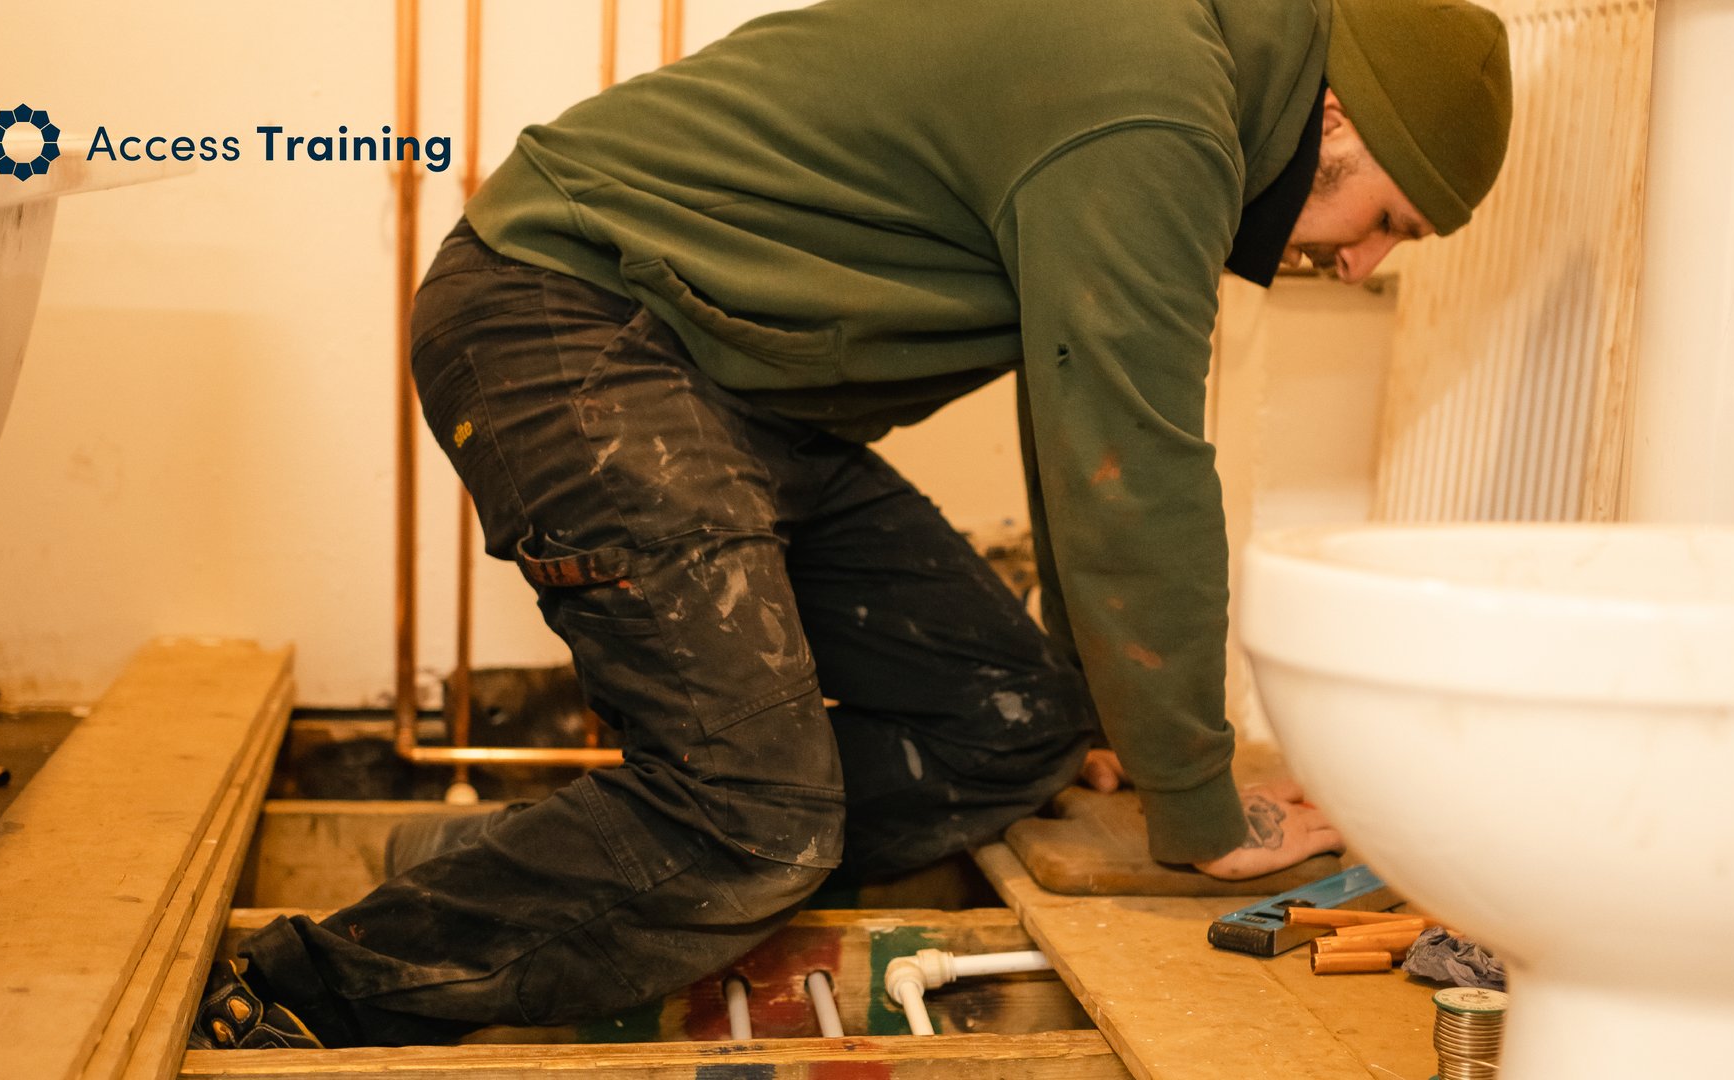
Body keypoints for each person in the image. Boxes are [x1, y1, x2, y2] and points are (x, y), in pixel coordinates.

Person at [191, 0, 1511, 1049]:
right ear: (1333, 116)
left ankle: (521, 867)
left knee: (1013, 727)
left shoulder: (1168, 73)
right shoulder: (1158, 109)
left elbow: (1079, 435)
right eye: (1385, 221)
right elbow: (1134, 465)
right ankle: (301, 994)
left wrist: (1110, 717)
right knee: (752, 820)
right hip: (573, 317)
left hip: (724, 385)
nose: (1361, 265)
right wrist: (1202, 804)